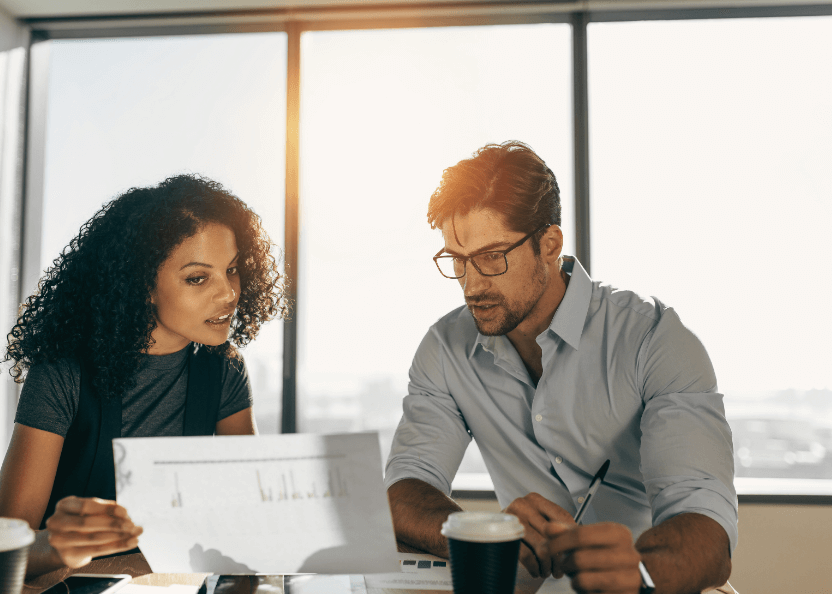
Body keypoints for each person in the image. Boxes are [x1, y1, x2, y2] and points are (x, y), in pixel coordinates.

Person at [385, 141, 737, 594]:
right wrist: (486, 536)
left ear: (549, 244)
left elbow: (708, 529)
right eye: (457, 259)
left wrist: (640, 574)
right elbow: (405, 490)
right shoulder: (444, 348)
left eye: (492, 258)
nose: (471, 286)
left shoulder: (655, 338)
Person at [0, 175, 287, 578]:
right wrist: (56, 545)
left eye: (233, 270)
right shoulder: (64, 372)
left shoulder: (223, 369)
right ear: (143, 285)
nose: (228, 294)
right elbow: (6, 549)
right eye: (198, 278)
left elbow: (247, 517)